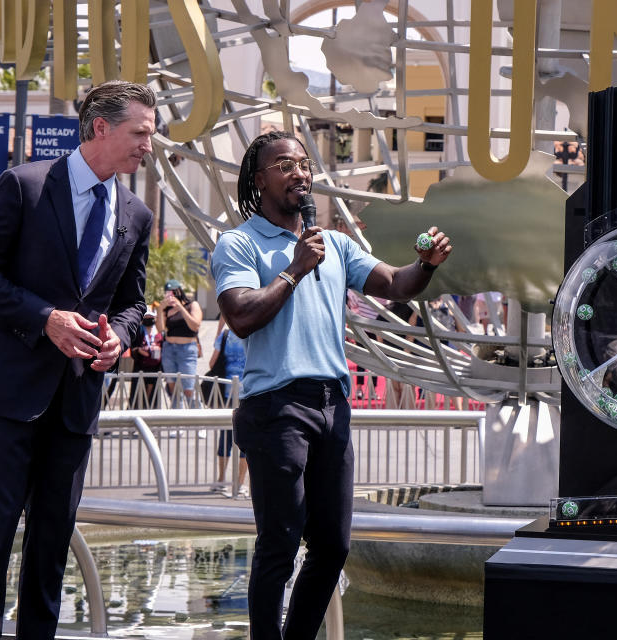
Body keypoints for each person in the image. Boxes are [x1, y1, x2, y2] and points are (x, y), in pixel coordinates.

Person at [211, 130, 452, 640]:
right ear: (259, 180)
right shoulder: (239, 243)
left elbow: (394, 284)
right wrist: (295, 270)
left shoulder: (337, 243)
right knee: (279, 543)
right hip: (275, 407)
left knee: (333, 546)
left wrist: (424, 266)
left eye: (303, 164)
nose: (299, 172)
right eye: (284, 165)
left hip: (331, 406)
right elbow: (239, 317)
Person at [0, 80, 155, 639]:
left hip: (75, 402)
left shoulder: (135, 214)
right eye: (140, 133)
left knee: (50, 551)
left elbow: (132, 302)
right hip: (6, 397)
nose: (148, 145)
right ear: (100, 128)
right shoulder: (24, 184)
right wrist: (45, 318)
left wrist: (118, 334)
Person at [208, 315, 248, 494]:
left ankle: (221, 479)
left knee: (225, 435)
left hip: (226, 391)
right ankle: (239, 483)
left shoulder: (224, 336)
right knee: (244, 439)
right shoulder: (251, 334)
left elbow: (211, 363)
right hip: (247, 390)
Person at [155, 279, 203, 407]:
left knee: (189, 388)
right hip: (169, 349)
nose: (171, 296)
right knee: (173, 388)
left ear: (179, 292)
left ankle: (197, 420)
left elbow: (195, 325)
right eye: (168, 293)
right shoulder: (166, 310)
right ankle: (177, 421)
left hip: (187, 350)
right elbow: (160, 330)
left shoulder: (192, 305)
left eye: (173, 293)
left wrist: (181, 308)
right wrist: (160, 309)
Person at [129, 308, 163, 408]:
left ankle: (152, 409)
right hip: (140, 365)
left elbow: (165, 345)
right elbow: (132, 347)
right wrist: (139, 350)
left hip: (156, 366)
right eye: (146, 317)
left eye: (151, 317)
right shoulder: (138, 330)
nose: (148, 318)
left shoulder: (159, 330)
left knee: (153, 390)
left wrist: (158, 348)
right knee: (138, 390)